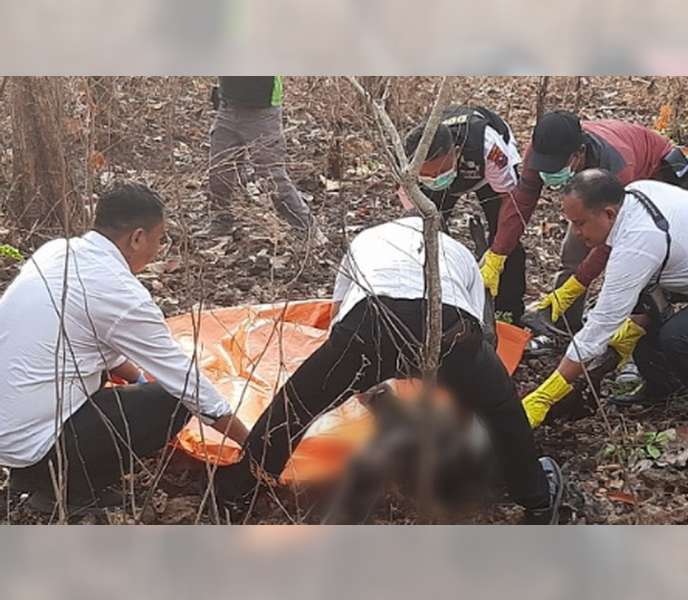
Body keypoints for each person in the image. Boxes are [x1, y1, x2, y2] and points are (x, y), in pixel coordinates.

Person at [219, 212, 564, 523]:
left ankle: (240, 489)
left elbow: (338, 316)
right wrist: (473, 388)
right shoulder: (457, 251)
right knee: (502, 407)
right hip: (448, 327)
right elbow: (479, 331)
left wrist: (352, 377)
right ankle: (536, 498)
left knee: (294, 406)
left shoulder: (367, 239)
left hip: (371, 322)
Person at [0, 183, 249, 514]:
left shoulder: (56, 251)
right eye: (159, 240)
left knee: (127, 383)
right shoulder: (121, 294)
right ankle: (66, 490)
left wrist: (138, 381)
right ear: (137, 237)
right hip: (34, 445)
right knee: (171, 402)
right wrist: (254, 444)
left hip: (9, 430)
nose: (159, 250)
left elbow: (97, 343)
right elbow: (191, 387)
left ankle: (37, 474)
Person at [520, 169, 688, 435]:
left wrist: (545, 395)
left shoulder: (638, 240)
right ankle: (664, 385)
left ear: (608, 213)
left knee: (680, 336)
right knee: (642, 300)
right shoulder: (635, 194)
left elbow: (600, 327)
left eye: (580, 223)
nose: (576, 232)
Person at [480, 110, 688, 336]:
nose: (548, 172)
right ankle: (562, 327)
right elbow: (523, 199)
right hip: (597, 187)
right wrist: (497, 254)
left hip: (654, 175)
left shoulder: (618, 167)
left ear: (579, 153)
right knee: (573, 253)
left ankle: (637, 339)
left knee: (637, 264)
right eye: (545, 167)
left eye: (556, 166)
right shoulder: (540, 150)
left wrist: (578, 283)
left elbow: (612, 238)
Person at [404, 105, 526, 322]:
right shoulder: (408, 159)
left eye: (439, 171)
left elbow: (511, 201)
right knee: (423, 236)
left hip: (487, 175)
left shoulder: (488, 146)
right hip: (447, 183)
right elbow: (412, 207)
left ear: (457, 151)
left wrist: (497, 255)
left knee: (506, 239)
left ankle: (507, 311)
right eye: (427, 174)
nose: (435, 177)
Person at [208, 76, 323, 240]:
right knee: (219, 171)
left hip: (262, 110)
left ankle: (306, 227)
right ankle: (221, 220)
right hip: (228, 107)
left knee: (271, 176)